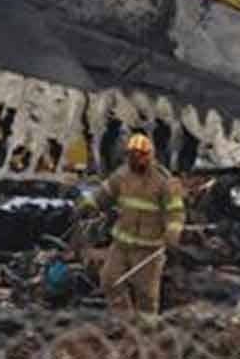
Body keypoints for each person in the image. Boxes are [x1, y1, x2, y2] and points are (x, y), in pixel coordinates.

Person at [77, 133, 185, 317]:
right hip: (121, 244)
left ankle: (146, 334)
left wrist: (173, 233)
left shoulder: (164, 182)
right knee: (110, 280)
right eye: (132, 155)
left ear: (149, 155)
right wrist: (87, 205)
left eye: (140, 155)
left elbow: (175, 211)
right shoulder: (122, 175)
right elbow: (104, 194)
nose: (135, 159)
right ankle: (124, 322)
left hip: (148, 249)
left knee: (146, 295)